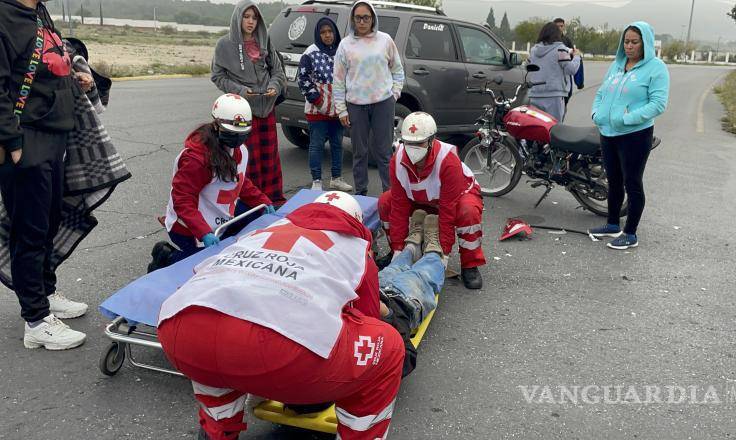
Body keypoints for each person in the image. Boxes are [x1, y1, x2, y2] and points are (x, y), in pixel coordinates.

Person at [157, 191, 445, 440]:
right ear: (356, 223)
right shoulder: (354, 250)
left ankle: (217, 428)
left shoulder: (259, 234)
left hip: (182, 329)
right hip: (277, 347)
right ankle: (430, 249)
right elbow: (368, 318)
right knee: (389, 343)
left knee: (210, 335)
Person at [0, 0, 89, 350]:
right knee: (30, 232)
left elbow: (44, 70)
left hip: (54, 136)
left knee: (50, 223)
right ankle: (36, 320)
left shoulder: (38, 14)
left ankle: (46, 293)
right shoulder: (5, 17)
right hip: (27, 140)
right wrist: (12, 140)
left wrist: (77, 82)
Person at [148, 94, 274, 271]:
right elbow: (183, 200)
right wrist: (204, 232)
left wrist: (262, 202)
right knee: (206, 268)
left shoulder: (240, 151)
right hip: (188, 227)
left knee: (256, 218)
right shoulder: (196, 160)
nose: (237, 139)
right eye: (232, 134)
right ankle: (167, 257)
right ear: (216, 125)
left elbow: (239, 182)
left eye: (242, 134)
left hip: (220, 217)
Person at [378, 112, 486, 290]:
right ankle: (399, 252)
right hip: (422, 198)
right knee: (385, 202)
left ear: (431, 140)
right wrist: (397, 248)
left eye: (419, 143)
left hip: (456, 196)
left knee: (468, 211)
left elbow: (448, 209)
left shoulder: (448, 161)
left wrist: (444, 253)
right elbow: (398, 206)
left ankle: (470, 264)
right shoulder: (397, 161)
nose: (413, 148)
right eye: (408, 143)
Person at [588, 22, 669, 250]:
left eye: (634, 42)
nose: (629, 46)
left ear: (646, 43)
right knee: (613, 180)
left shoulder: (656, 68)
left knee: (632, 182)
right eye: (626, 42)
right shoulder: (616, 65)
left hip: (635, 134)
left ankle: (630, 233)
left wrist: (627, 119)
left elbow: (658, 104)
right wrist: (596, 114)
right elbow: (601, 93)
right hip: (608, 132)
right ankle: (613, 224)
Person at [211, 0, 286, 207]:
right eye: (246, 17)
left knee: (269, 157)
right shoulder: (224, 44)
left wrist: (274, 86)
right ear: (238, 18)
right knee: (247, 157)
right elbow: (217, 76)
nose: (251, 21)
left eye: (254, 17)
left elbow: (278, 71)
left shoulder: (264, 40)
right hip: (242, 111)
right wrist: (242, 91)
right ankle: (250, 202)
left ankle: (271, 201)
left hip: (267, 108)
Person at [333, 0, 405, 196]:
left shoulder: (385, 40)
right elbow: (338, 80)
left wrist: (394, 94)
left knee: (384, 152)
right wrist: (341, 109)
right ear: (352, 20)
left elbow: (398, 70)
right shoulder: (345, 45)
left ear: (373, 18)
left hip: (383, 104)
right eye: (358, 18)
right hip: (356, 106)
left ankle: (390, 194)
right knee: (359, 153)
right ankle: (361, 193)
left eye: (366, 17)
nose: (362, 22)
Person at [298, 16, 353, 192]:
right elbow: (303, 79)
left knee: (337, 144)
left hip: (338, 108)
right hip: (317, 110)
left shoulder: (342, 51)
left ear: (335, 32)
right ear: (318, 34)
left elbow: (350, 76)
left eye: (330, 31)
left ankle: (336, 178)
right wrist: (318, 100)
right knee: (317, 145)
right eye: (323, 32)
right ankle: (316, 181)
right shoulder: (310, 52)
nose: (327, 35)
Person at [527, 22, 582, 122]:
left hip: (535, 95)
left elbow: (528, 67)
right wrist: (577, 57)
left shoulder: (534, 50)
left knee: (537, 126)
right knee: (554, 127)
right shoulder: (560, 49)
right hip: (554, 96)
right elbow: (571, 69)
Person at [553, 17, 584, 106]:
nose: (559, 28)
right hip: (553, 74)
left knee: (566, 96)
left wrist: (579, 82)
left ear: (564, 27)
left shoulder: (566, 40)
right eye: (557, 26)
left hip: (566, 72)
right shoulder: (548, 41)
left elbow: (574, 56)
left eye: (561, 26)